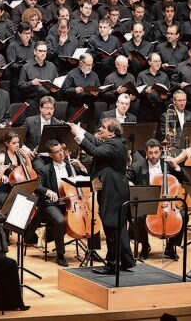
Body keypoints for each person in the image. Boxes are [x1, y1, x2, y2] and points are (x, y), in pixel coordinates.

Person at [69, 117, 135, 274]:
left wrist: (78, 137)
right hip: (113, 190)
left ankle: (112, 264)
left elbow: (95, 151)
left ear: (112, 133)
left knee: (112, 226)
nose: (99, 130)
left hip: (114, 192)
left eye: (103, 128)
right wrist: (80, 131)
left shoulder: (115, 146)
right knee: (119, 227)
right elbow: (97, 142)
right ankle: (126, 261)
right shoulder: (113, 142)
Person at [126, 138, 190, 260]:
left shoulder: (168, 165)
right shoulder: (137, 166)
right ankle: (145, 246)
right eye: (150, 153)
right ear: (146, 152)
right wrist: (131, 184)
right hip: (148, 202)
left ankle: (170, 247)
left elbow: (186, 180)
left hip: (167, 203)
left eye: (156, 152)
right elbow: (126, 177)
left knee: (183, 215)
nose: (153, 156)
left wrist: (177, 167)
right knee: (137, 217)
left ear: (160, 152)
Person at [29, 139, 88, 266]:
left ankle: (92, 251)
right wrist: (47, 191)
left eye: (61, 150)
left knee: (90, 216)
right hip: (51, 205)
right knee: (60, 220)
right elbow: (36, 186)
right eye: (57, 152)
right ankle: (60, 255)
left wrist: (82, 167)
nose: (61, 154)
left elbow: (85, 179)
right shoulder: (45, 169)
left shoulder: (70, 166)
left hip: (71, 203)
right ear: (51, 155)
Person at [0, 131, 32, 206]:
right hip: (2, 191)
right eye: (14, 143)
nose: (17, 145)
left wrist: (26, 157)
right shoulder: (2, 157)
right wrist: (1, 175)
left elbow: (29, 172)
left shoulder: (19, 156)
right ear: (7, 144)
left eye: (18, 142)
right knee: (14, 204)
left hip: (16, 190)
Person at [136, 52, 171, 123]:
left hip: (160, 108)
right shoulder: (142, 75)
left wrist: (166, 96)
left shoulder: (164, 76)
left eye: (159, 61)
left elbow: (169, 91)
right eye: (155, 61)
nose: (158, 63)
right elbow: (136, 92)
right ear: (150, 63)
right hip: (145, 108)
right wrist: (145, 91)